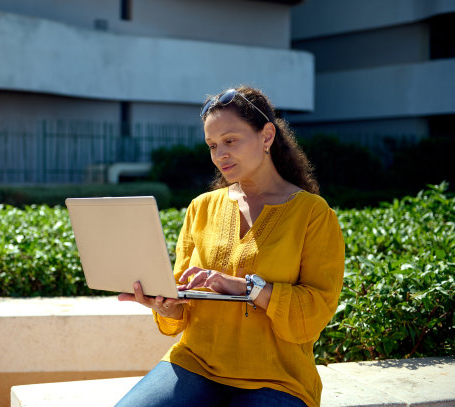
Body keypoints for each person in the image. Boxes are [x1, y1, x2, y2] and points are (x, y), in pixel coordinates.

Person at [116, 86, 345, 407]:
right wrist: (166, 305)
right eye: (212, 145)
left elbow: (316, 310)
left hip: (277, 377)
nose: (220, 153)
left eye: (231, 141)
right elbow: (180, 307)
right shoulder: (201, 207)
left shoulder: (313, 214)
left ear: (267, 136)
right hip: (196, 364)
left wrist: (247, 287)